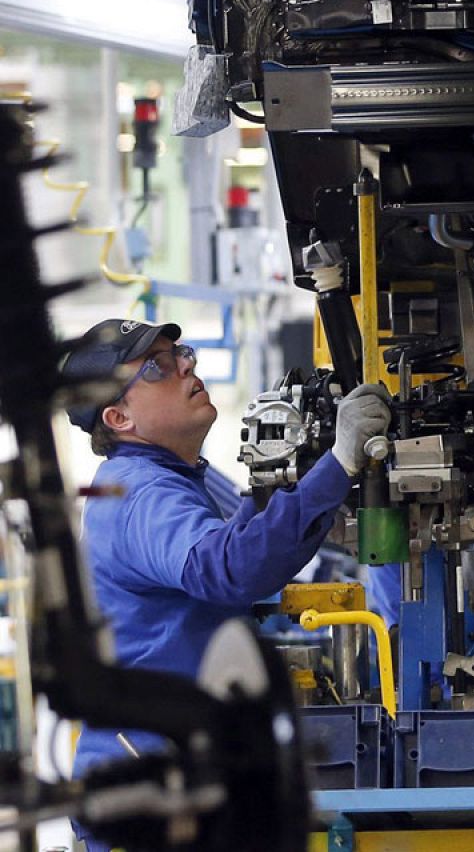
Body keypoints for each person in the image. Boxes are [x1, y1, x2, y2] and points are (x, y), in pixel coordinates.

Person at [61, 319, 390, 850]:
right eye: (157, 368)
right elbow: (229, 569)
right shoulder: (140, 493)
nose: (186, 366)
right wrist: (338, 463)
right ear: (118, 417)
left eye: (181, 354)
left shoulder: (175, 480)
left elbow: (247, 550)